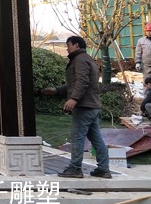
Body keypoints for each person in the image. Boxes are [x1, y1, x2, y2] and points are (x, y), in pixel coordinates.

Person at [41, 35, 111, 179]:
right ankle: (103, 169)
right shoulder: (87, 59)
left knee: (77, 137)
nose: (67, 48)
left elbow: (82, 81)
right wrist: (56, 90)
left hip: (84, 106)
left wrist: (74, 99)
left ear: (77, 45)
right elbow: (75, 83)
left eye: (68, 45)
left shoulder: (80, 60)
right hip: (93, 105)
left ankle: (75, 168)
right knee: (96, 139)